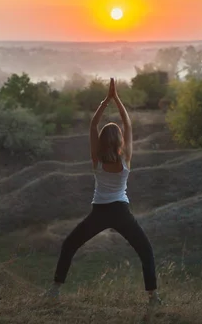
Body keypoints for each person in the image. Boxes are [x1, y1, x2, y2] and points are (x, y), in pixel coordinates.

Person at [44, 78, 162, 309]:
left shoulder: (96, 159)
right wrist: (116, 99)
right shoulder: (126, 158)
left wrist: (104, 101)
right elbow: (128, 125)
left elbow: (92, 126)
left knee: (69, 245)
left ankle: (55, 290)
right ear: (119, 141)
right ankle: (154, 298)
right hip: (121, 211)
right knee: (145, 251)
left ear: (100, 142)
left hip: (99, 211)